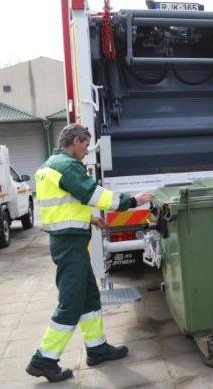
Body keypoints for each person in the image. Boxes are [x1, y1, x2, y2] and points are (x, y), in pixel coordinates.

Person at [26, 124, 154, 382]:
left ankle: (96, 348)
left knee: (88, 297)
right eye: (85, 146)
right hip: (69, 245)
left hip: (68, 240)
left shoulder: (51, 164)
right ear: (74, 141)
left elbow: (66, 203)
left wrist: (91, 219)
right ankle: (44, 360)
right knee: (71, 303)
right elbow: (92, 194)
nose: (86, 151)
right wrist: (133, 201)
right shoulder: (67, 166)